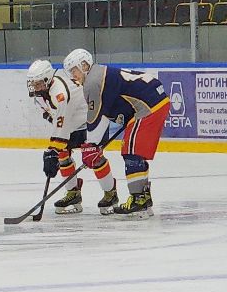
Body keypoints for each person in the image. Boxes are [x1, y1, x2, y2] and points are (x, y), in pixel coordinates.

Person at [66, 49, 169, 218]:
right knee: (134, 152)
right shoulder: (98, 75)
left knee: (131, 152)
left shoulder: (92, 82)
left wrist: (91, 146)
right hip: (152, 102)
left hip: (148, 106)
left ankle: (138, 200)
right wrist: (94, 146)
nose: (73, 75)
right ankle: (143, 198)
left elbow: (95, 117)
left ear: (84, 65)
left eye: (74, 70)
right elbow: (105, 115)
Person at [25, 56, 113, 216]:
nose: (34, 86)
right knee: (62, 154)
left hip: (91, 121)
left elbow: (61, 125)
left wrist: (52, 150)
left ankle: (110, 194)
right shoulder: (40, 94)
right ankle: (73, 193)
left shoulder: (60, 94)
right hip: (72, 125)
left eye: (37, 83)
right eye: (32, 83)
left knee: (93, 156)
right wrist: (54, 151)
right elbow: (54, 118)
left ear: (47, 79)